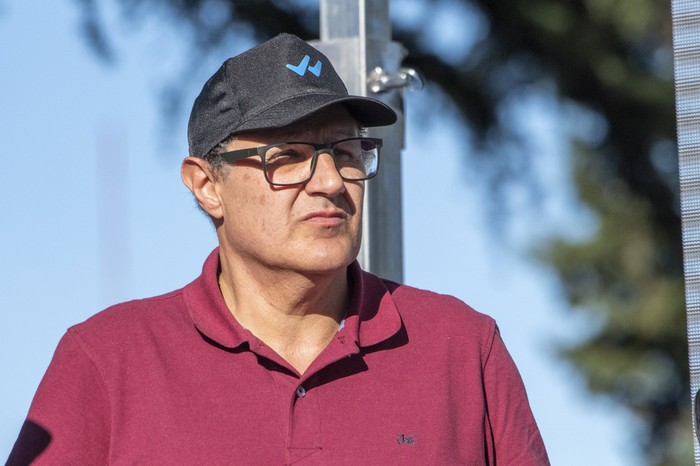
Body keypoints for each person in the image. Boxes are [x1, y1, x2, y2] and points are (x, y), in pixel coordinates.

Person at [8, 33, 549, 465]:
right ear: (206, 185)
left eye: (346, 151)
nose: (332, 181)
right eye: (287, 156)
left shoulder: (463, 347)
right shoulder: (107, 360)